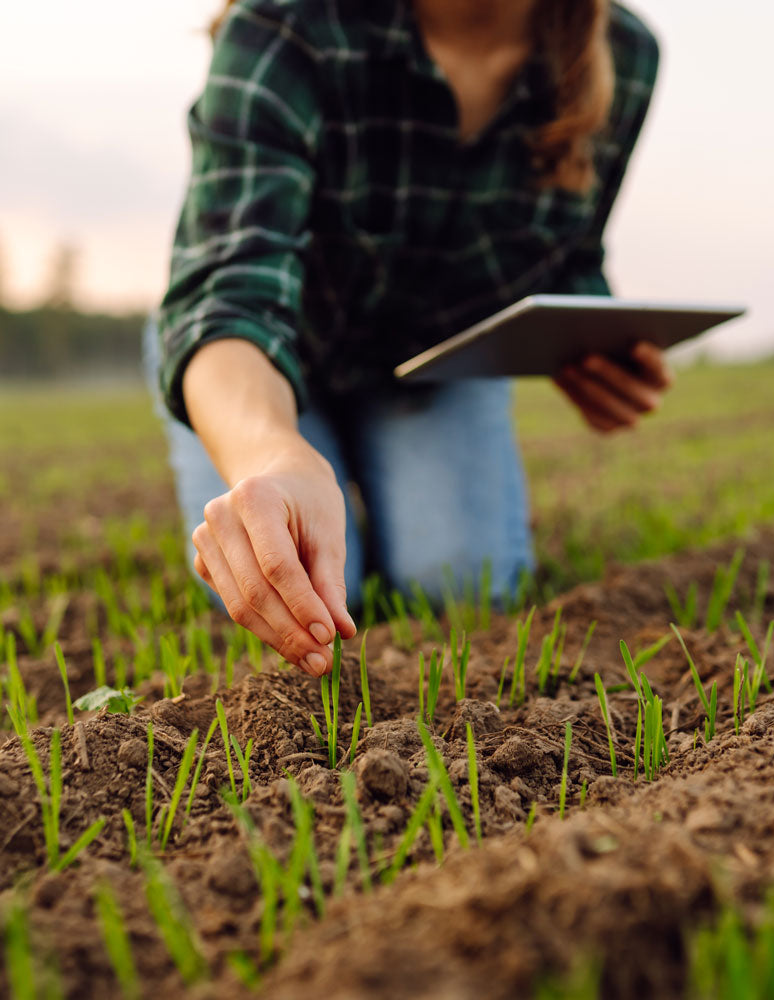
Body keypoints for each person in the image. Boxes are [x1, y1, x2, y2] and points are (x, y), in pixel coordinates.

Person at [146, 0, 672, 678]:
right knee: (295, 582)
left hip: (428, 362)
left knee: (463, 586)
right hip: (262, 356)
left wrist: (585, 334)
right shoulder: (288, 25)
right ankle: (310, 451)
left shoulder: (622, 53)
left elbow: (568, 248)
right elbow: (227, 290)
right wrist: (270, 456)